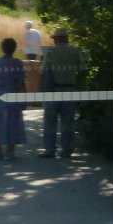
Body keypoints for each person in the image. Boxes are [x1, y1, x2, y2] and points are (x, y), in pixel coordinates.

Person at [39, 27, 84, 158]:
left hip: (53, 90)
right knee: (68, 122)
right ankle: (67, 150)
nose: (53, 41)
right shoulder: (75, 51)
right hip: (70, 89)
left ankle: (50, 150)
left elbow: (42, 71)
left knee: (50, 122)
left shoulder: (50, 52)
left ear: (58, 39)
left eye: (54, 39)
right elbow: (82, 69)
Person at [0, 37, 26, 160]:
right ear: (14, 49)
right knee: (13, 123)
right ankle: (10, 152)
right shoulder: (18, 63)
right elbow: (21, 82)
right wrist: (24, 99)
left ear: (2, 48)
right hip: (13, 97)